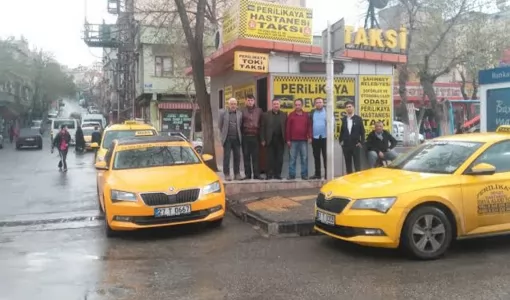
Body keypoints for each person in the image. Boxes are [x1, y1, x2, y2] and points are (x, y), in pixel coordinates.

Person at [261, 99, 287, 180]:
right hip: (270, 139)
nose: (276, 105)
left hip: (280, 139)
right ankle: (269, 174)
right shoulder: (266, 115)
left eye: (277, 104)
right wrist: (262, 139)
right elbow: (262, 128)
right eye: (274, 104)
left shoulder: (284, 115)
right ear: (272, 105)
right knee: (270, 158)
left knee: (279, 158)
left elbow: (286, 127)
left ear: (280, 105)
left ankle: (277, 174)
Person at [286, 99, 311, 180]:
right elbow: (288, 128)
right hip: (293, 141)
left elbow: (309, 127)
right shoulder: (291, 115)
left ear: (302, 105)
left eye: (299, 105)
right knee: (292, 159)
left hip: (303, 140)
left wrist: (310, 136)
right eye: (296, 105)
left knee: (304, 158)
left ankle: (304, 175)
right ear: (294, 105)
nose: (297, 106)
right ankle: (292, 175)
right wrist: (288, 140)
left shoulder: (306, 115)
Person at [218, 98, 243, 181]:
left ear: (237, 105)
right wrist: (223, 136)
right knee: (227, 157)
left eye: (235, 104)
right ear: (228, 105)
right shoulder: (223, 113)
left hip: (236, 138)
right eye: (231, 104)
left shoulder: (240, 114)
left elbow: (240, 126)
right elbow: (220, 126)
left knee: (237, 157)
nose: (233, 105)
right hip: (227, 138)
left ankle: (237, 174)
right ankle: (227, 174)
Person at [339, 100, 365, 174]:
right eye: (347, 107)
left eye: (350, 106)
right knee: (348, 164)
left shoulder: (358, 119)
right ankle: (349, 180)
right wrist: (341, 141)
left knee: (357, 164)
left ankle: (358, 180)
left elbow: (362, 132)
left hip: (356, 145)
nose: (348, 108)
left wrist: (361, 142)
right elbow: (342, 131)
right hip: (346, 145)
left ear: (353, 107)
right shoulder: (344, 119)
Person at [241, 94, 263, 180]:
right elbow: (240, 124)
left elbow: (262, 124)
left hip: (255, 136)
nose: (250, 102)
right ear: (246, 101)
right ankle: (248, 175)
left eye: (252, 100)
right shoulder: (242, 111)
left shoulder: (259, 110)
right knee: (246, 156)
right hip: (245, 137)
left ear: (254, 101)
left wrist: (262, 138)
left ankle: (257, 174)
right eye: (248, 100)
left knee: (256, 157)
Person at [310, 97, 327, 179]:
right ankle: (317, 174)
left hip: (325, 138)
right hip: (315, 138)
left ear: (323, 103)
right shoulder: (312, 112)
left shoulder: (328, 112)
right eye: (317, 102)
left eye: (320, 102)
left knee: (325, 157)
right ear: (315, 104)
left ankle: (327, 174)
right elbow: (309, 125)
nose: (319, 104)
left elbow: (332, 124)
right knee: (316, 157)